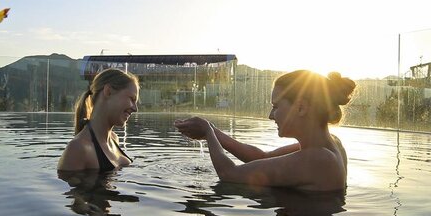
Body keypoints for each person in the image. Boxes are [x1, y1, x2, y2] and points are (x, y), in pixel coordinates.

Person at [175, 70, 356, 192]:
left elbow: (229, 174)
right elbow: (262, 157)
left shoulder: (319, 159)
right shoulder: (331, 144)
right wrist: (213, 131)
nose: (271, 116)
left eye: (276, 106)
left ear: (300, 108)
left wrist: (207, 131)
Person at [57, 68, 139, 172]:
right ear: (108, 91)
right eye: (132, 99)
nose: (135, 108)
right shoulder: (78, 148)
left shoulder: (114, 139)